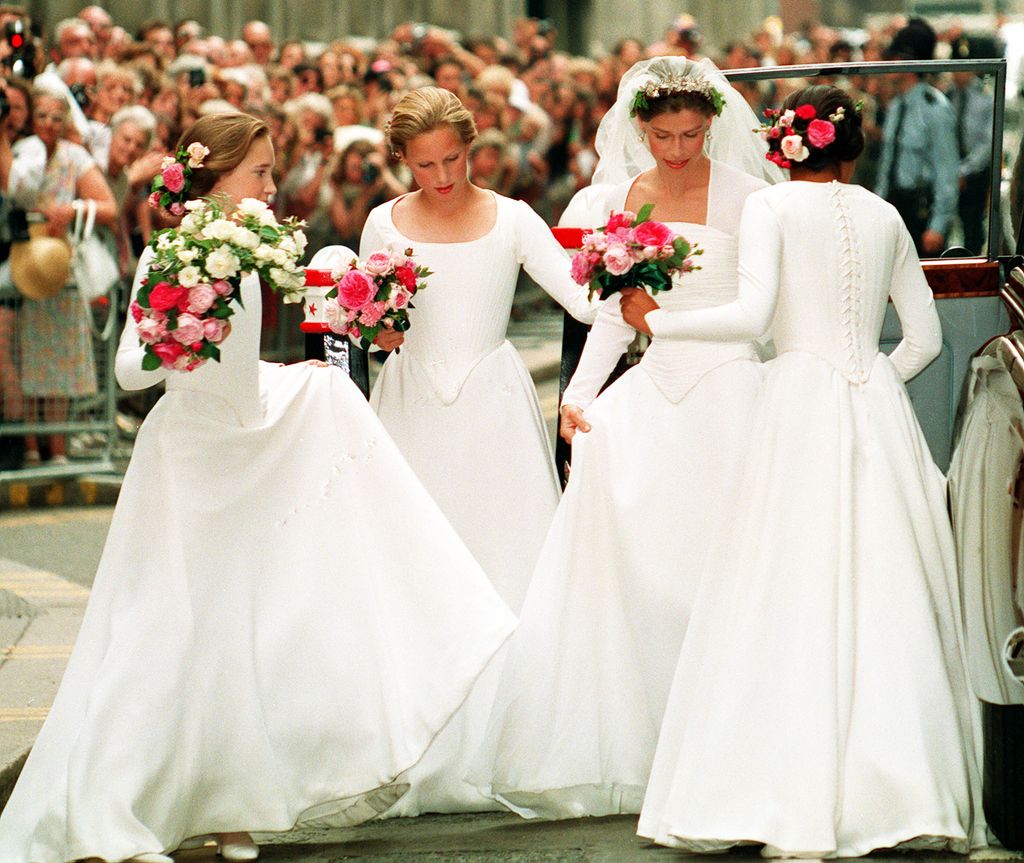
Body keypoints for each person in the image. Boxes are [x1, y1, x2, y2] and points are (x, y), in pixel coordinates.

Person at [0, 112, 515, 863]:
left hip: (249, 442)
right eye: (262, 173)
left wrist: (284, 373)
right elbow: (133, 370)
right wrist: (186, 327)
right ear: (220, 178)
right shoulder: (173, 251)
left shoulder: (248, 248)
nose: (273, 186)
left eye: (274, 173)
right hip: (192, 461)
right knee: (168, 632)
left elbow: (240, 363)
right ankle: (113, 806)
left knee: (241, 630)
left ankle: (231, 806)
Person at [635, 84, 984, 857]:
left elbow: (753, 317)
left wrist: (657, 318)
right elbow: (921, 340)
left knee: (782, 583)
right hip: (871, 408)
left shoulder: (768, 208)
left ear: (782, 146)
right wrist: (867, 381)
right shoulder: (886, 215)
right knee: (883, 585)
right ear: (853, 147)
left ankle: (775, 785)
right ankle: (899, 788)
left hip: (795, 401)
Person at [470, 56, 781, 821]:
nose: (677, 151)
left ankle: (737, 744)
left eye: (692, 135)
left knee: (727, 569)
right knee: (646, 564)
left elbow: (761, 310)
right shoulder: (634, 193)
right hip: (656, 382)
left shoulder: (749, 197)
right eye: (663, 136)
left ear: (713, 125)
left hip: (731, 384)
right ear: (640, 129)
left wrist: (663, 323)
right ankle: (656, 745)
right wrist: (577, 395)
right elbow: (616, 309)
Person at [359, 86, 598, 816]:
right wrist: (379, 333)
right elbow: (368, 318)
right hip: (409, 407)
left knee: (506, 561)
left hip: (492, 410)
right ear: (403, 159)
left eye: (454, 159)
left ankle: (507, 742)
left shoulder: (513, 218)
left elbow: (584, 300)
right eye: (424, 163)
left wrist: (648, 279)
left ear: (474, 148)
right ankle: (415, 744)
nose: (441, 176)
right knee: (410, 567)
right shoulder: (382, 221)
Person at [5, 84, 117, 464]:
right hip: (23, 267)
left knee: (62, 364)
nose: (50, 124)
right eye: (42, 116)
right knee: (27, 359)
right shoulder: (21, 153)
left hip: (60, 267)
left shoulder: (75, 156)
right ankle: (31, 447)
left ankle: (58, 448)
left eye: (57, 117)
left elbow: (109, 207)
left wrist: (71, 209)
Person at [875, 18, 959, 257]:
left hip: (920, 213)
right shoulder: (896, 105)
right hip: (894, 208)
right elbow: (887, 163)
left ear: (906, 62)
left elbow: (946, 171)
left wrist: (938, 225)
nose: (888, 65)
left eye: (894, 58)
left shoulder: (935, 109)